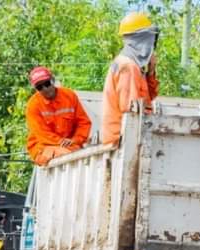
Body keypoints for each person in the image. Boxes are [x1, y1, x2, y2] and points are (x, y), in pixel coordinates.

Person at [100, 11, 160, 145]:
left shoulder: (133, 65)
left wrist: (151, 72)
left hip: (124, 135)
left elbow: (148, 97)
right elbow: (132, 110)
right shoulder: (128, 66)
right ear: (141, 39)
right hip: (122, 138)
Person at [25, 66, 92, 166]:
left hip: (70, 145)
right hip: (43, 146)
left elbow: (83, 123)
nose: (45, 88)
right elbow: (42, 134)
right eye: (40, 87)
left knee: (83, 158)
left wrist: (75, 140)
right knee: (67, 155)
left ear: (52, 80)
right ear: (36, 89)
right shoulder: (33, 105)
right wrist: (61, 142)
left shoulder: (69, 96)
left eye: (47, 83)